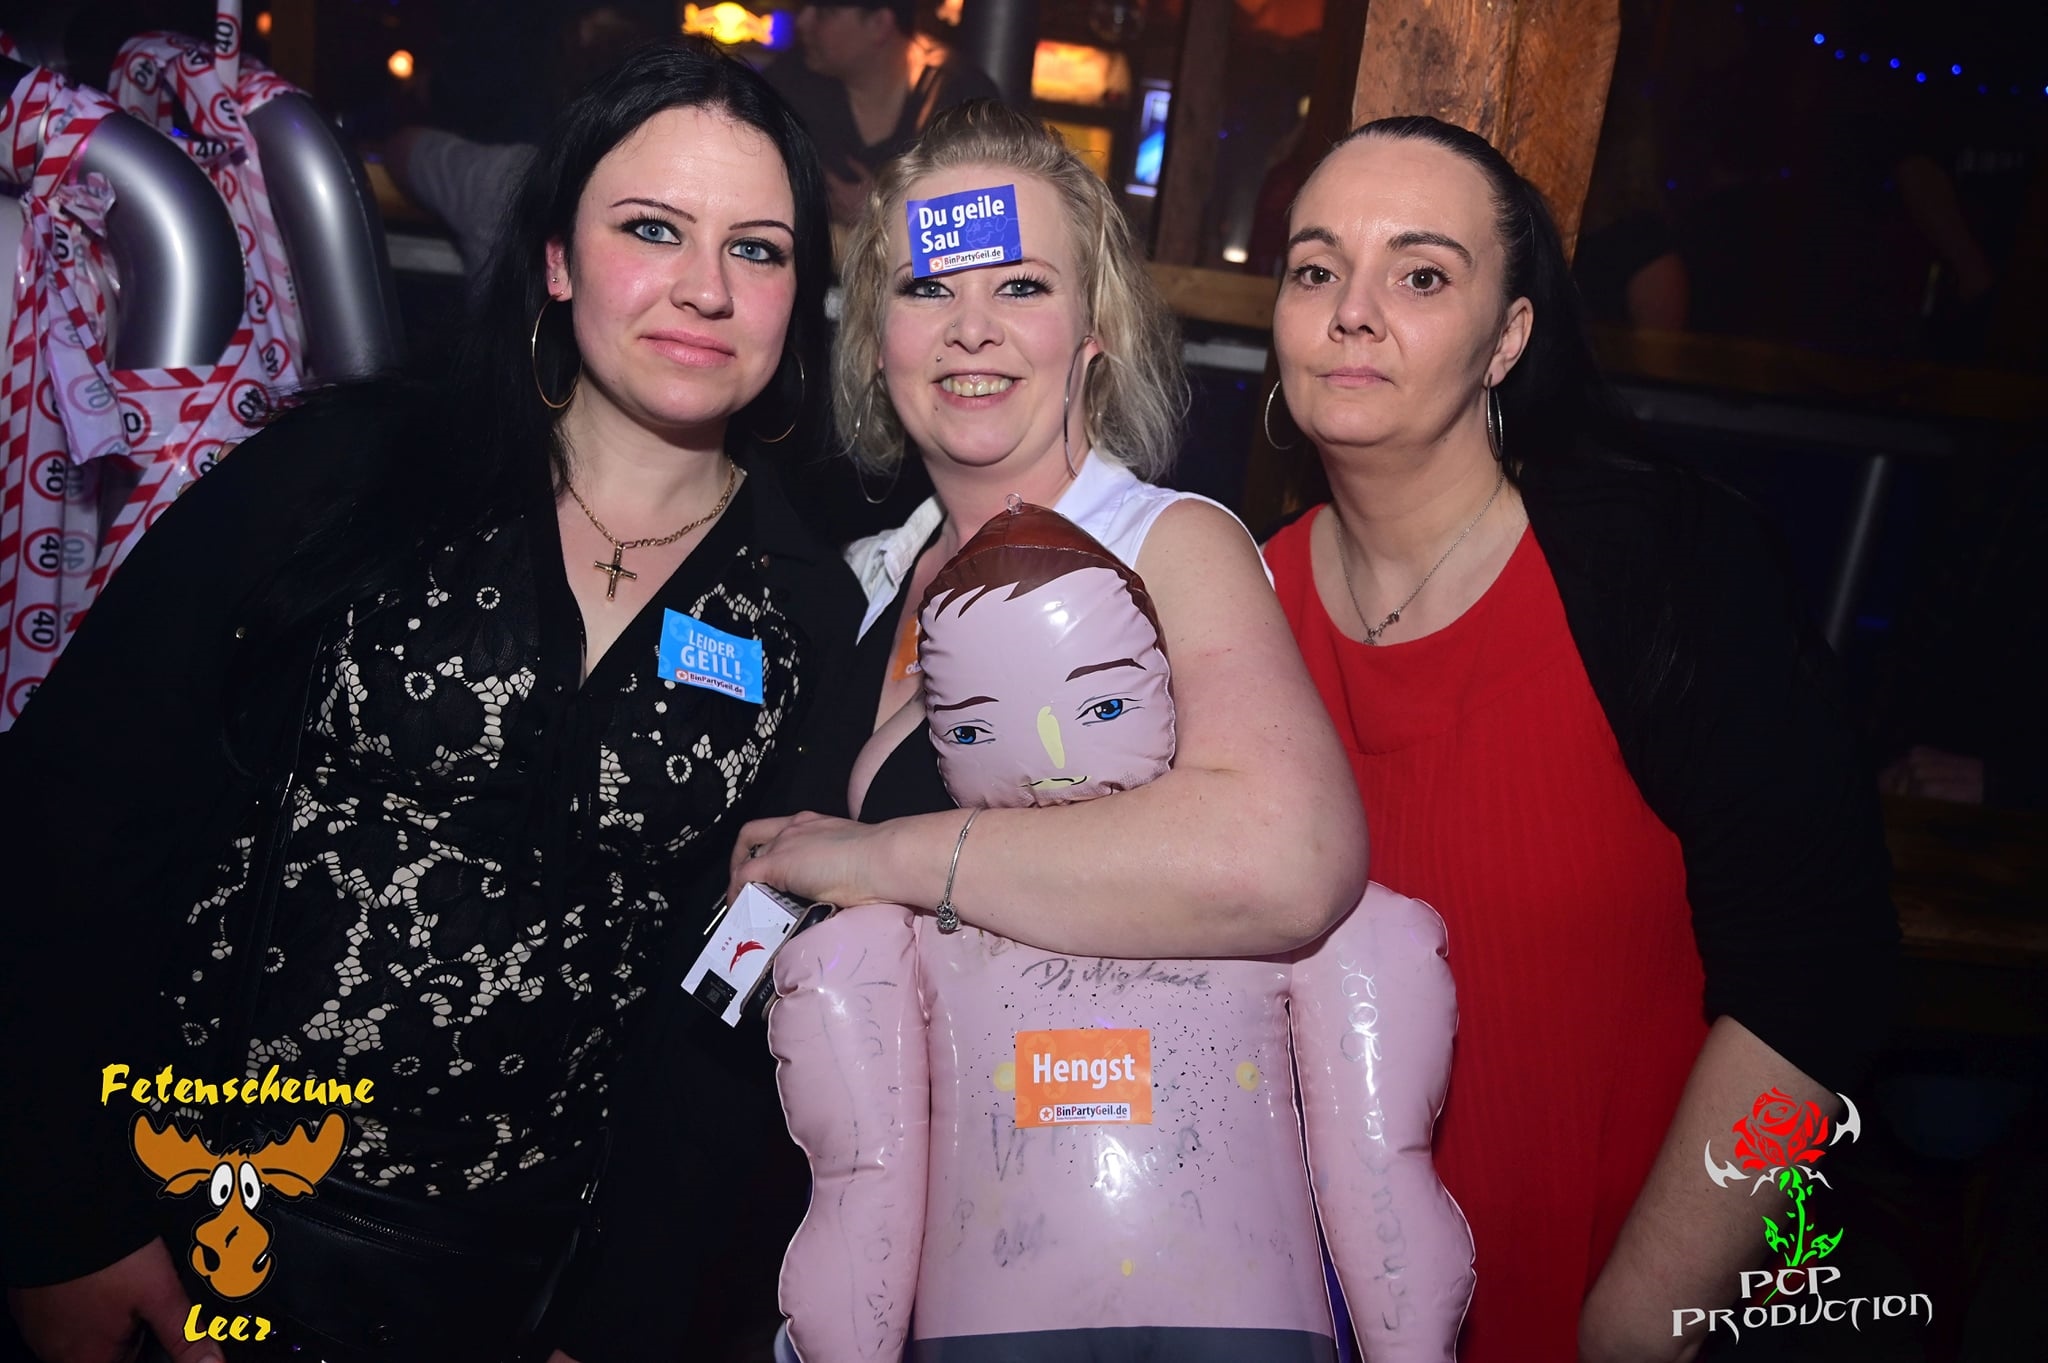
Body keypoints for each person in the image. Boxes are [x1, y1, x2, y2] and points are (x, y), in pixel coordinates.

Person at [0, 39, 861, 1363]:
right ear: (558, 257)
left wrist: (618, 1324)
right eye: (651, 228)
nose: (705, 286)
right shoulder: (350, 471)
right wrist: (63, 1219)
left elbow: (728, 1012)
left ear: (799, 294)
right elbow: (72, 813)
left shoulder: (804, 609)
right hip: (183, 1215)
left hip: (509, 1293)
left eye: (757, 248)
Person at [1257, 115, 1899, 1363]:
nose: (1351, 312)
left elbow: (1825, 983)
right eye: (1315, 268)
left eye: (1420, 276)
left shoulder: (1664, 565)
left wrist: (1644, 1316)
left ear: (1507, 338)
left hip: (1615, 1298)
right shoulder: (1241, 601)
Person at [730, 99, 1364, 969]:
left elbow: (1291, 860)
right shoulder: (869, 575)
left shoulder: (1163, 547)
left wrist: (880, 856)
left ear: (1094, 327)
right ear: (878, 337)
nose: (970, 328)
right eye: (927, 288)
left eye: (1021, 286)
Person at [764, 1, 1001, 228]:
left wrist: (886, 212)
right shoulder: (787, 84)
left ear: (879, 24)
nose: (802, 21)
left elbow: (987, 218)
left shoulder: (961, 95)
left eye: (826, 12)